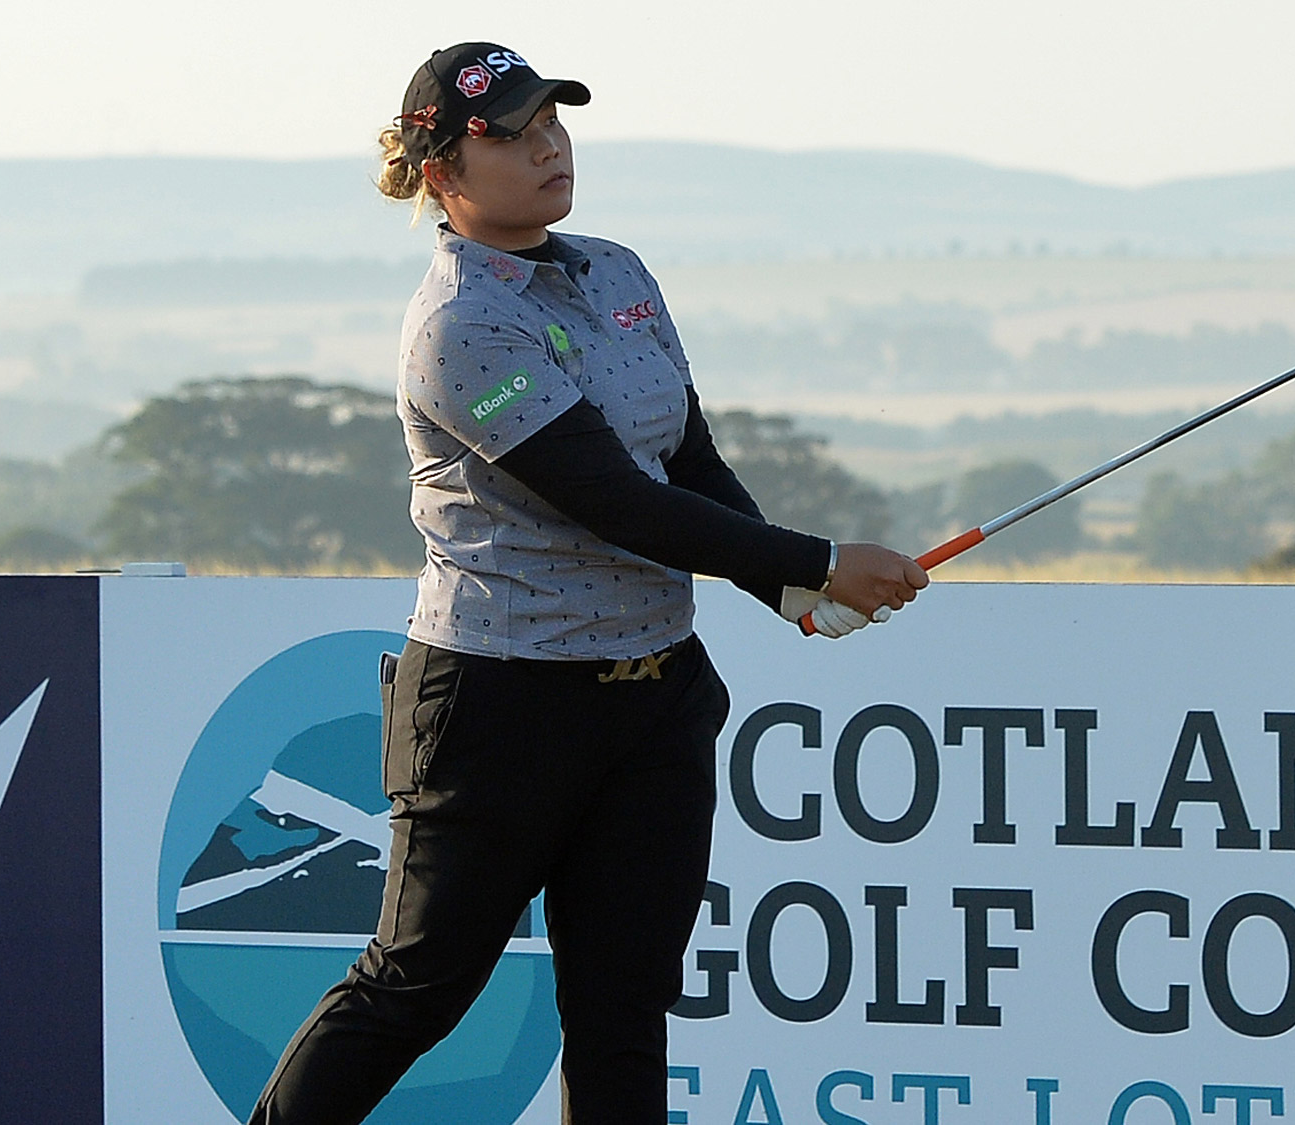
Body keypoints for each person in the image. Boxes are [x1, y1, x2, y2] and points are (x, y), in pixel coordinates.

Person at [248, 42, 928, 1125]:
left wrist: (782, 592)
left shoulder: (616, 271)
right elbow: (610, 499)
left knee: (623, 1005)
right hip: (500, 705)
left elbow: (685, 460)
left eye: (553, 123)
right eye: (510, 135)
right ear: (441, 172)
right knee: (417, 991)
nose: (547, 148)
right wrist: (812, 561)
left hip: (652, 701)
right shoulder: (461, 323)